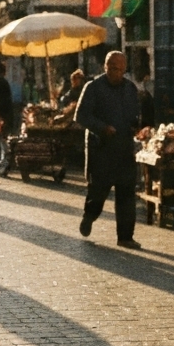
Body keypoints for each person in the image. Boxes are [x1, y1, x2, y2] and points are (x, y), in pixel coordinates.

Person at [75, 51, 143, 250]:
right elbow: (81, 116)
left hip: (124, 149)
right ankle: (89, 216)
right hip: (101, 150)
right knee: (98, 192)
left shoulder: (130, 88)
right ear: (105, 67)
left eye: (121, 69)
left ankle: (125, 237)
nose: (117, 73)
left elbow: (135, 115)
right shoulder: (93, 87)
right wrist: (102, 128)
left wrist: (138, 127)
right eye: (113, 68)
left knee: (126, 195)